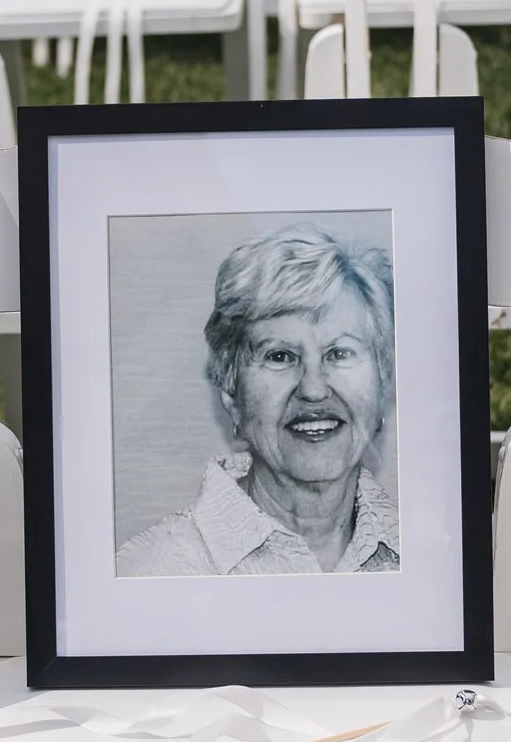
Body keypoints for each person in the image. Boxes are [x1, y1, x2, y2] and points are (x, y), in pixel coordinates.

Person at [118, 224, 399, 577]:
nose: (313, 390)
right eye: (280, 356)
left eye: (340, 352)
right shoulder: (152, 571)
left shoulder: (432, 558)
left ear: (382, 385)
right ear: (231, 392)